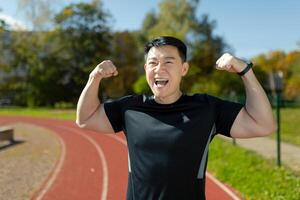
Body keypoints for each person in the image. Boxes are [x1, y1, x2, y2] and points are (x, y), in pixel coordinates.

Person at [76, 36, 276, 200]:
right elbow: (84, 118)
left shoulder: (206, 108)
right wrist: (94, 78)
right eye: (153, 63)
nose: (159, 68)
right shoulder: (129, 107)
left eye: (168, 62)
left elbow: (263, 125)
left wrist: (245, 71)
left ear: (184, 69)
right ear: (146, 69)